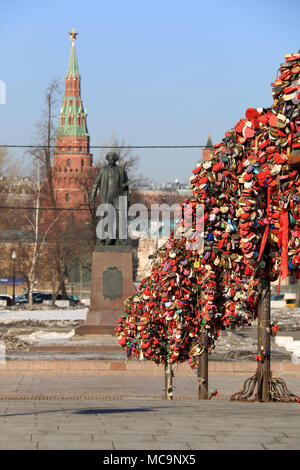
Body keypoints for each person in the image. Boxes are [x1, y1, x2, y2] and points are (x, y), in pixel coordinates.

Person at [90, 152, 130, 245]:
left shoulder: (120, 170)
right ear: (107, 159)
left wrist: (125, 188)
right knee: (105, 217)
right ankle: (103, 239)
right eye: (109, 158)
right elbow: (96, 183)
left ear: (115, 159)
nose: (111, 160)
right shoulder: (103, 170)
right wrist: (92, 195)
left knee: (120, 217)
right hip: (106, 196)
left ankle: (120, 239)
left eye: (113, 158)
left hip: (118, 197)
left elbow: (127, 183)